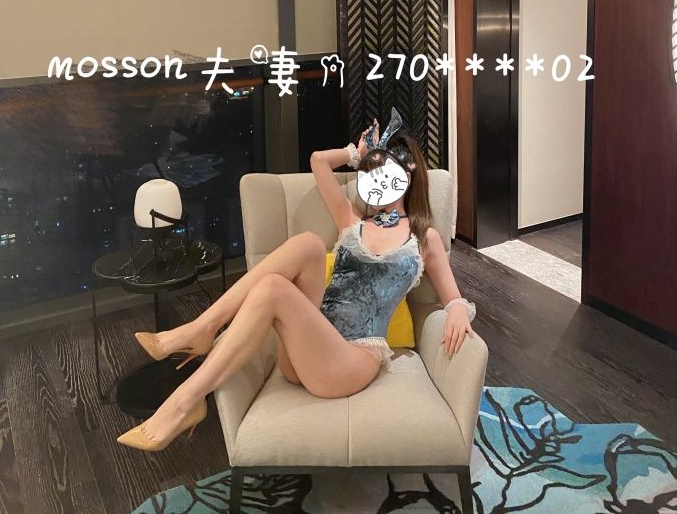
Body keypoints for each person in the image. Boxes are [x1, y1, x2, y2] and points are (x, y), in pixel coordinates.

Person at [117, 111, 476, 452]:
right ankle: (202, 328)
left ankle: (186, 398)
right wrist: (356, 152)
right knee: (308, 244)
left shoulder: (423, 238)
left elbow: (453, 298)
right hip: (305, 352)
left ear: (408, 175)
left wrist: (459, 309)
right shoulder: (352, 221)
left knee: (273, 288)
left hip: (350, 362)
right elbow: (319, 161)